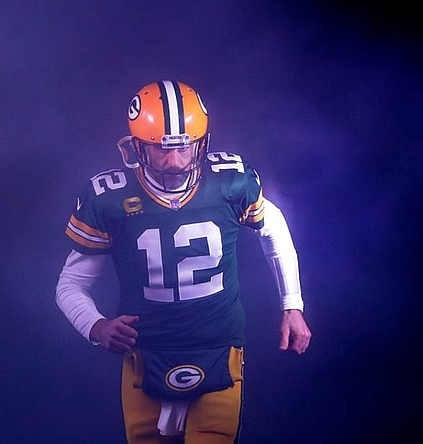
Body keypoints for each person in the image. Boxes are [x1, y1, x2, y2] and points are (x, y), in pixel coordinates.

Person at [55, 80, 312, 444]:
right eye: (161, 150)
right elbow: (70, 284)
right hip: (144, 352)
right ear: (136, 147)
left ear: (202, 143)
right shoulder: (108, 200)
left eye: (185, 147)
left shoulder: (230, 183)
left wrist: (292, 305)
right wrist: (95, 326)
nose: (174, 161)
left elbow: (274, 228)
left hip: (219, 346)